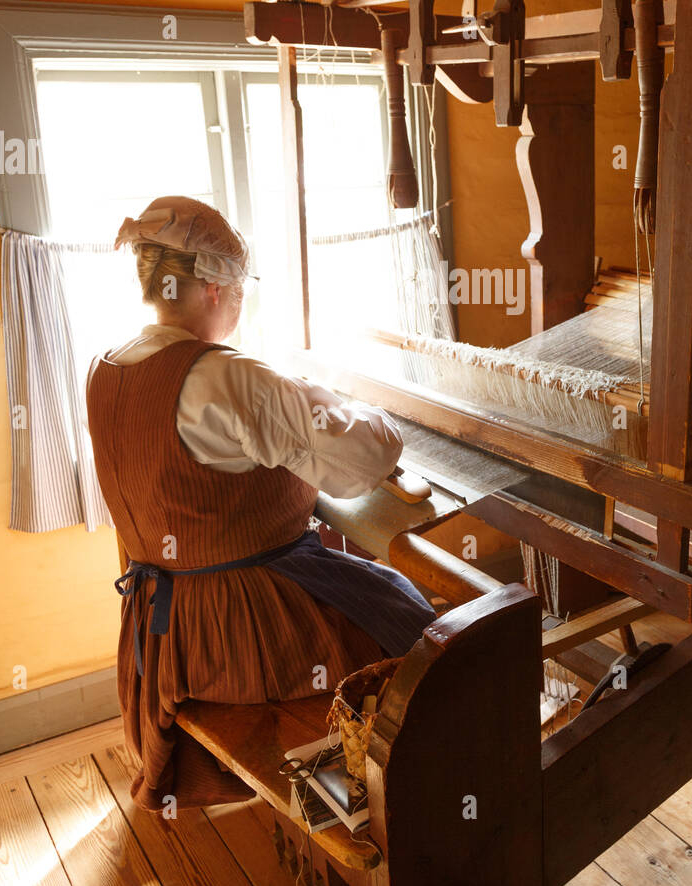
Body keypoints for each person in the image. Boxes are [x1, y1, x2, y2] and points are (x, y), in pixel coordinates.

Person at [85, 194, 435, 811]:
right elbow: (364, 461)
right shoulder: (227, 377)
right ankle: (391, 803)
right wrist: (339, 403)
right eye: (241, 287)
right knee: (417, 625)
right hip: (242, 629)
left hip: (164, 634)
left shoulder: (106, 368)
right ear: (217, 286)